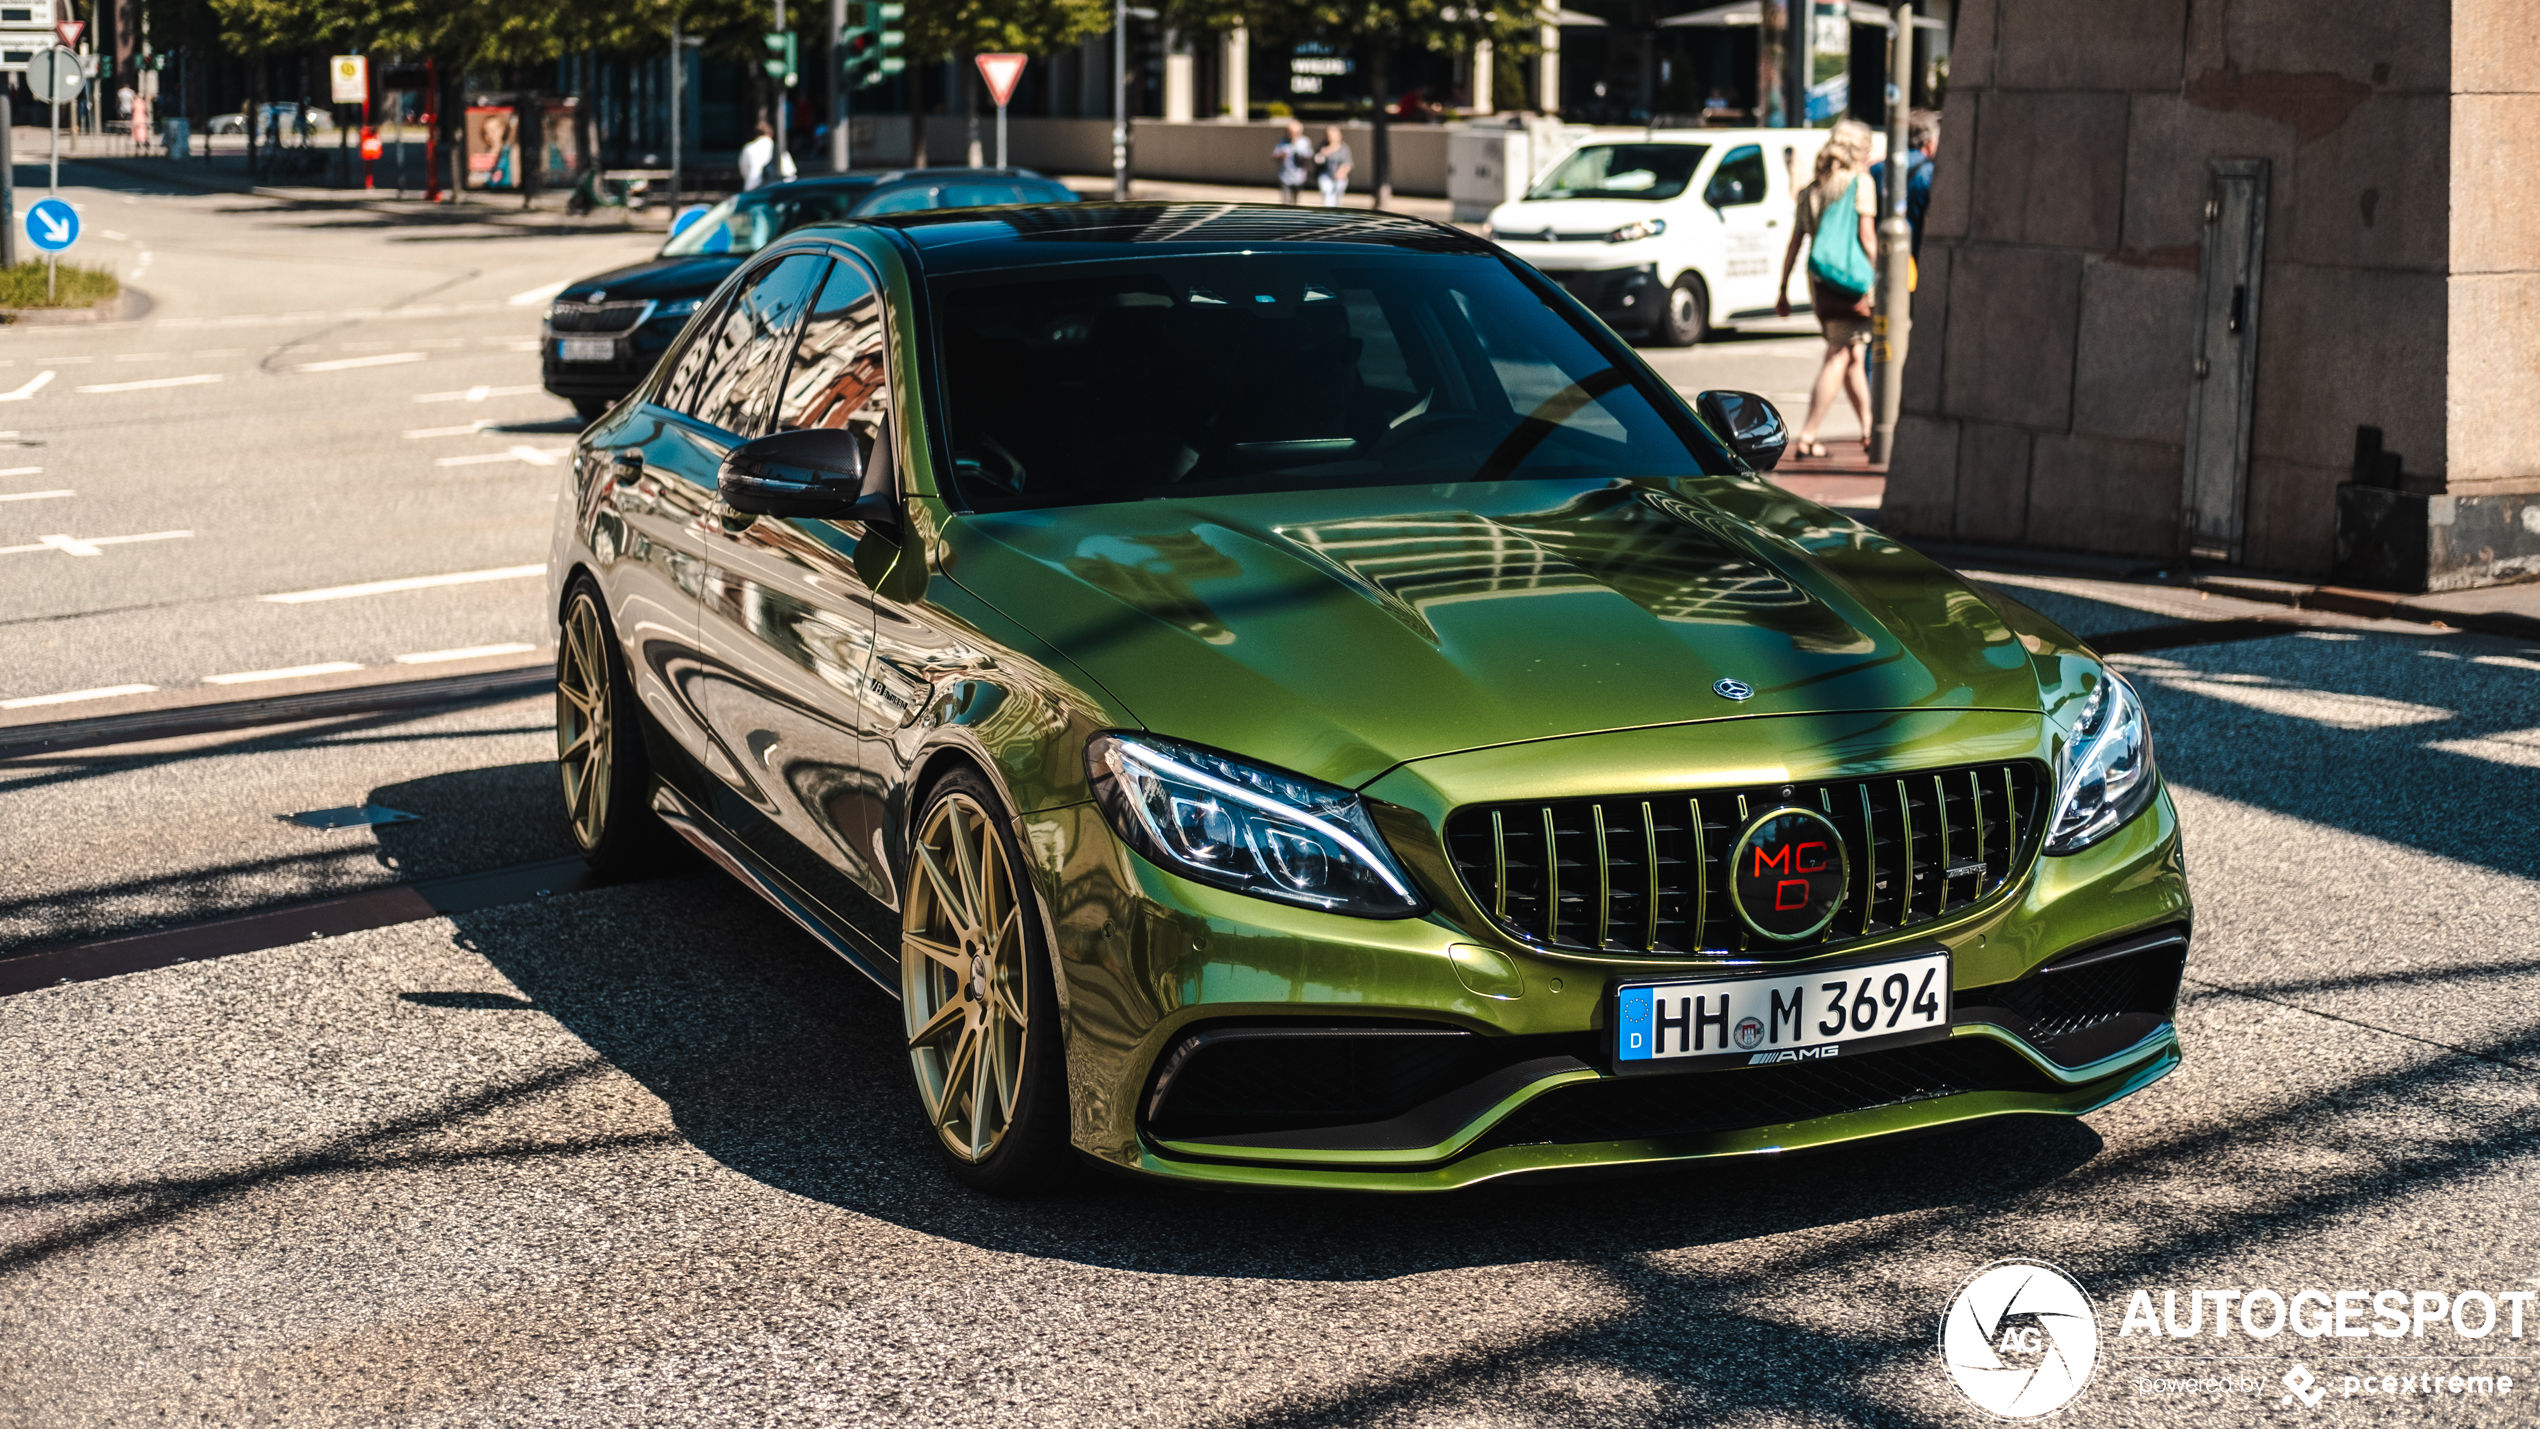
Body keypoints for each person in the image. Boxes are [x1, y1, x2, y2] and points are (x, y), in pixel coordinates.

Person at [1773, 119, 1879, 459]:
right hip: (1854, 281)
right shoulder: (1860, 183)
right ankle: (1807, 434)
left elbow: (1795, 241)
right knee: (1840, 353)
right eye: (1867, 148)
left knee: (1852, 354)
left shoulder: (1811, 188)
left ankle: (1868, 428)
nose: (1870, 154)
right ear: (1857, 151)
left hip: (1821, 282)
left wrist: (1783, 287)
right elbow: (1866, 237)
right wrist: (1883, 275)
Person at [1868, 109, 1940, 257]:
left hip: (1879, 254)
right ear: (1929, 142)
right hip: (1912, 255)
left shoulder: (1875, 169)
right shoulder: (1930, 172)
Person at [738, 121, 794, 191]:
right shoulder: (778, 148)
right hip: (773, 190)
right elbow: (789, 172)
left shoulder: (748, 148)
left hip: (752, 189)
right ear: (770, 133)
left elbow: (744, 171)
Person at [1273, 119, 1314, 204]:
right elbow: (1275, 157)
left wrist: (1303, 157)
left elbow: (1309, 157)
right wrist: (1281, 155)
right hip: (1285, 176)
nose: (1292, 135)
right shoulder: (1283, 142)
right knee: (1286, 201)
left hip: (1299, 176)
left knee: (1296, 202)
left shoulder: (1304, 142)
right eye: (1290, 132)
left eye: (1295, 133)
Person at [1315, 126, 1352, 208]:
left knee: (1338, 199)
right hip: (1326, 176)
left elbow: (1348, 163)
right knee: (1328, 196)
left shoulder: (1344, 148)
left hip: (1340, 177)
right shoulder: (1322, 146)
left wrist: (1341, 172)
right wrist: (1322, 154)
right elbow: (1317, 161)